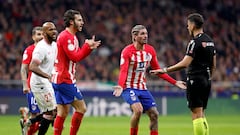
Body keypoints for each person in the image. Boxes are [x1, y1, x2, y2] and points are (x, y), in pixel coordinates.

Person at [113, 25, 186, 135]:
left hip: (142, 88)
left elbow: (158, 71)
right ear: (134, 36)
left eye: (146, 33)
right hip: (128, 87)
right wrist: (120, 85)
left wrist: (175, 82)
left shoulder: (150, 50)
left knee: (154, 114)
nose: (145, 36)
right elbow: (123, 71)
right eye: (142, 34)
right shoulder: (127, 51)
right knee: (138, 110)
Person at [150, 13, 216, 135]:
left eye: (188, 25)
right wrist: (208, 77)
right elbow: (214, 64)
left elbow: (185, 63)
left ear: (192, 25)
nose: (187, 28)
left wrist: (165, 70)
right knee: (201, 113)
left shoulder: (194, 42)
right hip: (206, 80)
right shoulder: (210, 41)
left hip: (195, 80)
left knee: (196, 114)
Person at [52, 9, 101, 135]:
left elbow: (78, 55)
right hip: (64, 79)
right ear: (71, 22)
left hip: (58, 78)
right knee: (82, 108)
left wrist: (88, 48)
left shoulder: (71, 37)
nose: (82, 22)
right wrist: (86, 46)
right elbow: (75, 57)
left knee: (62, 112)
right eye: (79, 20)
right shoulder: (66, 37)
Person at [25, 22, 58, 135]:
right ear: (44, 33)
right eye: (50, 30)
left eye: (54, 29)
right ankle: (31, 121)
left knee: (51, 112)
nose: (54, 31)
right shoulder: (41, 48)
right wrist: (48, 76)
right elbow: (32, 67)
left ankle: (30, 122)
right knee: (52, 112)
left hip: (46, 83)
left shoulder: (54, 45)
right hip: (39, 83)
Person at [20, 26, 47, 135]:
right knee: (36, 115)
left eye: (42, 34)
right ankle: (27, 126)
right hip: (34, 86)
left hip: (46, 86)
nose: (41, 37)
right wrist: (25, 85)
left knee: (48, 115)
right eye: (38, 34)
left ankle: (26, 120)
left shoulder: (47, 49)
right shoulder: (30, 50)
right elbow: (23, 69)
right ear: (33, 37)